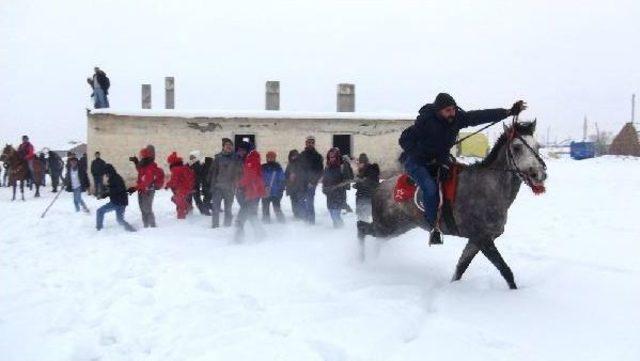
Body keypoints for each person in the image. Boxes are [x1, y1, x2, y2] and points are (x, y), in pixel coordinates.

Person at [399, 92, 527, 244]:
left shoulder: (456, 119)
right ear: (438, 110)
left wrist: (507, 112)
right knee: (430, 187)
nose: (452, 113)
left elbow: (479, 116)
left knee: (459, 178)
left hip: (440, 160)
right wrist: (421, 154)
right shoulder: (425, 121)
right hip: (417, 162)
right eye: (448, 110)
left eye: (453, 109)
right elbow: (404, 139)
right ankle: (433, 226)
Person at [234, 141, 266, 241]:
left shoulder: (252, 159)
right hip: (248, 190)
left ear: (247, 150)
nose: (240, 152)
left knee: (245, 211)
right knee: (251, 213)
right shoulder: (245, 159)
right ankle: (260, 234)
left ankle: (239, 234)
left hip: (253, 190)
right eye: (239, 150)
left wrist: (240, 184)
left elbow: (250, 175)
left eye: (242, 150)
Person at [209, 138, 242, 228]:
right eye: (227, 145)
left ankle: (227, 226)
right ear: (223, 147)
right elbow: (213, 173)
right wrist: (212, 186)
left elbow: (240, 172)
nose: (229, 147)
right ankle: (215, 226)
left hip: (229, 188)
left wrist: (237, 183)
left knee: (228, 209)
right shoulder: (218, 158)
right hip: (218, 187)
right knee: (215, 208)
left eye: (230, 146)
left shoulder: (236, 158)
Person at [128, 147, 164, 228]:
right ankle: (146, 226)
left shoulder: (150, 167)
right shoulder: (144, 164)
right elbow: (141, 171)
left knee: (147, 209)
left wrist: (134, 188)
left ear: (144, 157)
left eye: (141, 156)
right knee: (142, 209)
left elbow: (146, 182)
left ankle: (152, 226)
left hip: (148, 190)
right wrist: (136, 161)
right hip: (142, 190)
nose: (140, 157)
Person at [96, 164, 136, 232]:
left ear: (109, 172)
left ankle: (99, 229)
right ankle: (131, 230)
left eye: (106, 173)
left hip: (118, 202)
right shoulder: (114, 177)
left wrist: (106, 193)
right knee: (119, 219)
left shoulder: (115, 178)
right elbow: (113, 189)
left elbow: (117, 189)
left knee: (100, 211)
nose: (106, 175)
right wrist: (105, 192)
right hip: (120, 201)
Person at [298, 135, 324, 224]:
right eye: (309, 142)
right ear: (306, 143)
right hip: (302, 182)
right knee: (301, 201)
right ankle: (305, 219)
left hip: (311, 184)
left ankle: (311, 221)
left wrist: (313, 182)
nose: (310, 144)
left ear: (314, 144)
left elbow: (320, 171)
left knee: (309, 202)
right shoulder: (301, 155)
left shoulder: (317, 156)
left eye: (312, 142)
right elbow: (298, 168)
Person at [322, 148, 349, 228]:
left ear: (337, 157)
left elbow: (346, 181)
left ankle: (340, 230)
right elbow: (325, 180)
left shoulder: (342, 167)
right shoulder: (327, 167)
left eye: (333, 157)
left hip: (339, 195)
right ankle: (337, 229)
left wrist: (337, 187)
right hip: (330, 195)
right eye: (330, 157)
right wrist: (325, 189)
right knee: (332, 214)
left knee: (335, 215)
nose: (331, 159)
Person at [165, 152, 195, 219]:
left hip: (183, 189)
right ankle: (188, 208)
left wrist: (167, 185)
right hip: (189, 187)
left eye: (169, 162)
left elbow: (174, 181)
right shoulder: (183, 167)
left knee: (179, 203)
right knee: (176, 199)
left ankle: (181, 221)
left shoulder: (175, 169)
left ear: (172, 162)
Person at [353, 153, 380, 222]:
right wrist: (357, 185)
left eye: (360, 163)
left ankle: (365, 228)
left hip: (368, 196)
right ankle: (362, 226)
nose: (358, 164)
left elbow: (374, 183)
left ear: (364, 162)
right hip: (360, 195)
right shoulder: (361, 171)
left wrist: (363, 182)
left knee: (365, 214)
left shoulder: (371, 170)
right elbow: (361, 183)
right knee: (360, 214)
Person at [261, 151, 286, 223]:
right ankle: (266, 222)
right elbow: (260, 179)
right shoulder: (263, 167)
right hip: (265, 192)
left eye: (272, 157)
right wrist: (263, 187)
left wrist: (280, 190)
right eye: (269, 157)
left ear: (275, 158)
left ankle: (282, 222)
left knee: (277, 208)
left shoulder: (278, 168)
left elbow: (282, 179)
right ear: (266, 158)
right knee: (265, 208)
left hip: (275, 192)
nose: (270, 159)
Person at [188, 150, 211, 215]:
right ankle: (189, 211)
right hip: (191, 185)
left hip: (199, 184)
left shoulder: (202, 164)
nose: (191, 159)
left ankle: (205, 211)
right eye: (191, 157)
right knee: (192, 199)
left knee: (199, 199)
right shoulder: (190, 165)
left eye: (193, 157)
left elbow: (201, 174)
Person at [285, 149, 305, 219]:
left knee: (300, 201)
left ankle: (302, 216)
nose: (294, 157)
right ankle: (296, 215)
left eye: (295, 155)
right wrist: (289, 178)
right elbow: (286, 175)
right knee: (294, 202)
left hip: (300, 187)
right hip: (292, 187)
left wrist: (296, 175)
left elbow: (304, 174)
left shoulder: (301, 164)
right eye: (292, 155)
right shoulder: (289, 164)